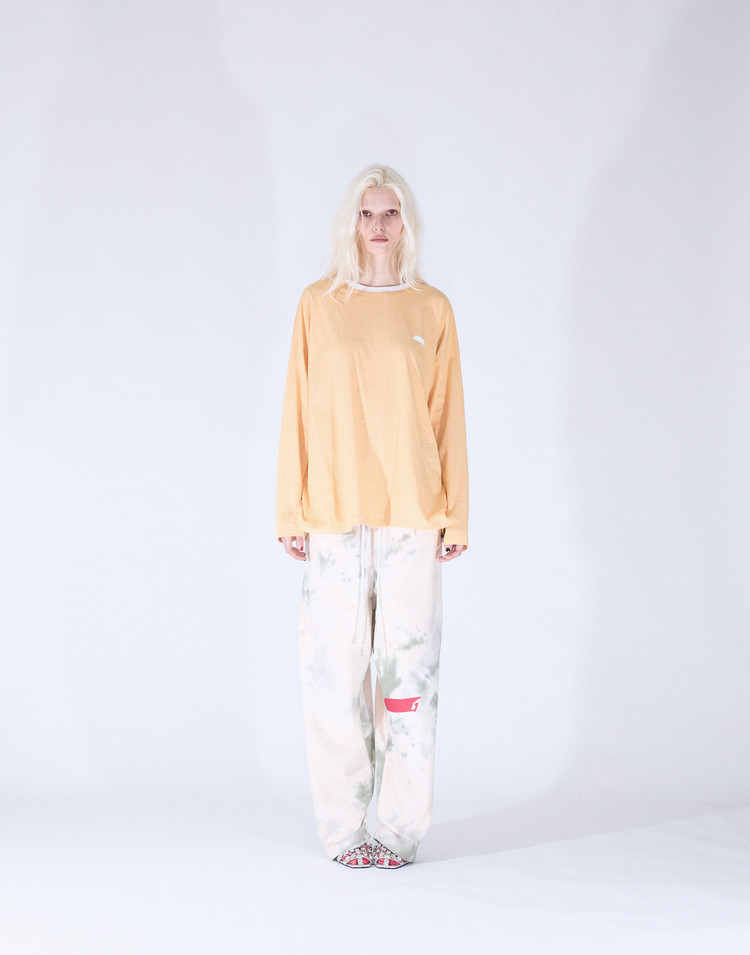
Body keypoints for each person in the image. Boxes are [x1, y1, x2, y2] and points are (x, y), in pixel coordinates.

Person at [276, 164, 468, 869]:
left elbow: (447, 416)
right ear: (350, 223)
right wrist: (290, 507)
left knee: (407, 677)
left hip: (413, 511)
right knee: (332, 674)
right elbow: (297, 406)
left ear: (405, 223)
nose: (379, 226)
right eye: (367, 213)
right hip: (333, 511)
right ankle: (341, 828)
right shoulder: (318, 304)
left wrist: (456, 514)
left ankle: (400, 828)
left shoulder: (431, 308)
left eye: (390, 213)